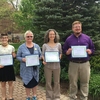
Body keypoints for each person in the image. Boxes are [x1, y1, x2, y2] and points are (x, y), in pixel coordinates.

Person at [63, 21, 95, 100]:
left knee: (85, 82)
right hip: (73, 64)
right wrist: (68, 52)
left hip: (85, 64)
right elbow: (64, 50)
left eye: (79, 27)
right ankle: (72, 97)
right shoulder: (69, 39)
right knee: (72, 82)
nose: (77, 28)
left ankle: (84, 97)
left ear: (81, 28)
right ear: (72, 28)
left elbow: (93, 49)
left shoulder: (87, 38)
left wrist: (90, 51)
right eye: (76, 27)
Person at [17, 30, 41, 100]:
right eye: (28, 36)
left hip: (35, 68)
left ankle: (34, 95)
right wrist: (22, 59)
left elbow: (40, 55)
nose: (29, 38)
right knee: (27, 83)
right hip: (26, 69)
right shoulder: (21, 47)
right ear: (25, 37)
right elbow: (18, 56)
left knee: (35, 82)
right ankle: (28, 96)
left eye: (31, 36)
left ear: (33, 37)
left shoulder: (36, 46)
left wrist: (40, 58)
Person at [42, 29, 62, 100]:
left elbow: (60, 53)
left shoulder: (58, 45)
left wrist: (59, 57)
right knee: (48, 82)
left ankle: (57, 97)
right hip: (48, 66)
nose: (52, 36)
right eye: (50, 34)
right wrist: (43, 60)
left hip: (57, 66)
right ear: (48, 35)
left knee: (57, 82)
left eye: (53, 34)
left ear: (55, 35)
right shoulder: (45, 45)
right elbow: (43, 55)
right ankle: (49, 97)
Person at [0, 33, 16, 100]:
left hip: (9, 67)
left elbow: (14, 55)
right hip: (1, 67)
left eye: (5, 38)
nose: (4, 39)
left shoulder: (11, 47)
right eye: (3, 38)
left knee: (10, 83)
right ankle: (3, 97)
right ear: (0, 39)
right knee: (2, 84)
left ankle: (10, 97)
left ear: (7, 39)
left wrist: (14, 56)